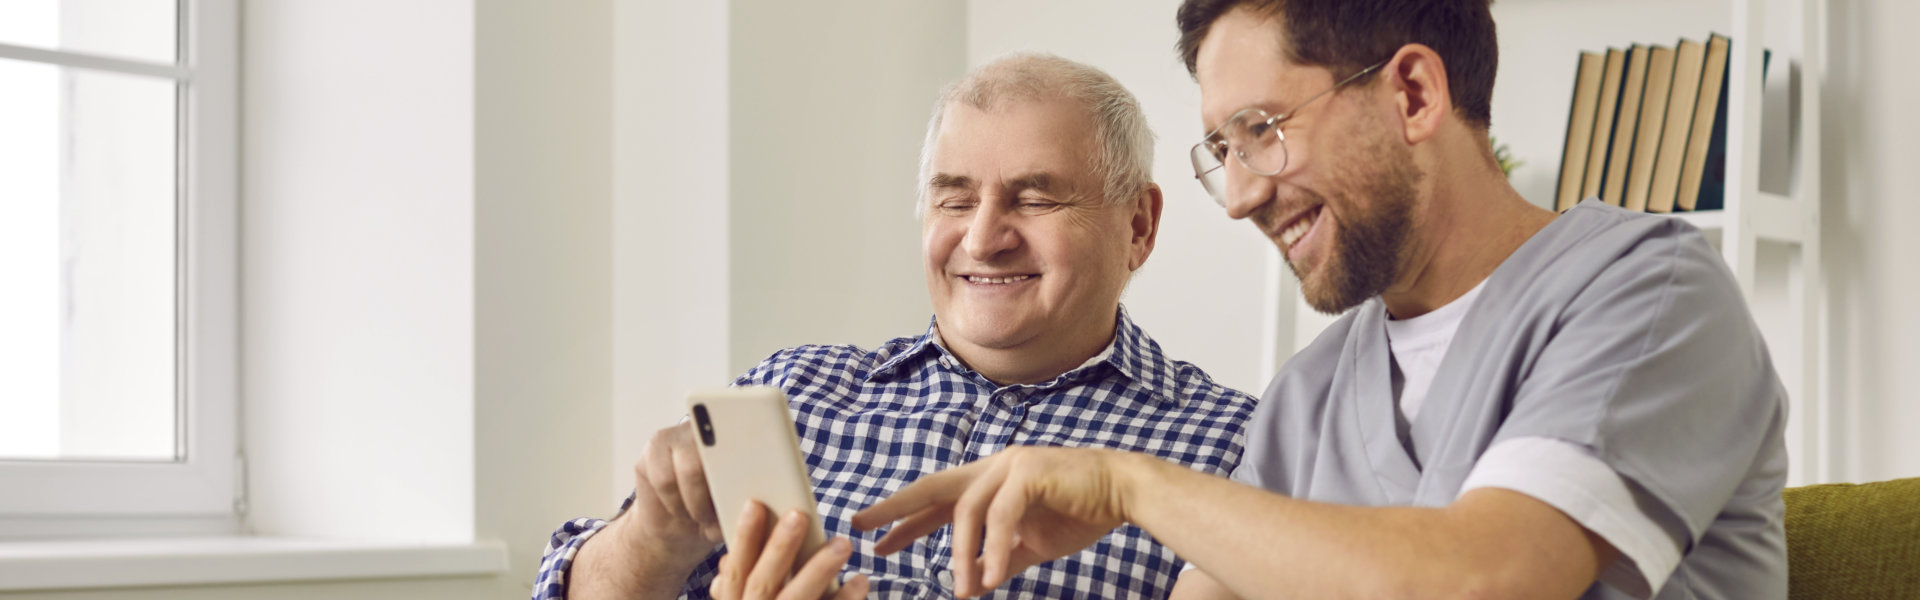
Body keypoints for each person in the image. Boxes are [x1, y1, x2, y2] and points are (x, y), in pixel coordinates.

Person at [845, 1, 1789, 599]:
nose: (1245, 193)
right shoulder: (1311, 395)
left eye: (1261, 131)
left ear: (1413, 94)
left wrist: (1126, 482)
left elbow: (1492, 579)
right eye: (1223, 151)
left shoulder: (1647, 294)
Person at [531, 53, 1259, 600]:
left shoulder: (1242, 449)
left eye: (1034, 199)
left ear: (1138, 224)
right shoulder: (793, 392)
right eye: (954, 199)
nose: (982, 238)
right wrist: (653, 539)